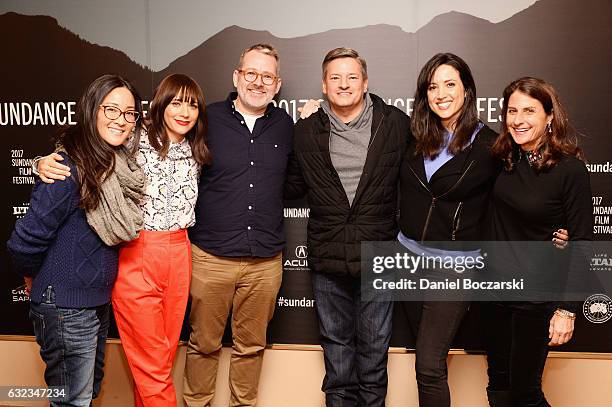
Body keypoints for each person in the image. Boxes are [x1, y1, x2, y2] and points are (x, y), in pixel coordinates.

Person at [35, 73, 211, 406]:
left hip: (180, 253)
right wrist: (40, 162)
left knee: (160, 360)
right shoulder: (134, 137)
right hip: (137, 253)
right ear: (160, 104)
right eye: (177, 102)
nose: (185, 112)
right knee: (153, 369)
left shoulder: (195, 148)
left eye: (192, 104)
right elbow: (82, 147)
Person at [7, 74, 145, 406]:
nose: (121, 120)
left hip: (93, 302)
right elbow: (23, 241)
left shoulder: (114, 163)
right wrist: (34, 277)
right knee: (72, 400)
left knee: (84, 394)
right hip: (66, 305)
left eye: (129, 113)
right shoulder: (68, 168)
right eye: (111, 109)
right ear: (91, 110)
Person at [285, 47, 409, 407]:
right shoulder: (306, 131)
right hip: (328, 259)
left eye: (352, 76)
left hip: (378, 257)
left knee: (374, 357)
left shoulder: (396, 124)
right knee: (338, 363)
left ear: (365, 82)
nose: (344, 84)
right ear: (324, 85)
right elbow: (290, 185)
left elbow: (425, 179)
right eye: (335, 77)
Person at [183, 43, 293, 407]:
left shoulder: (285, 126)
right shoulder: (206, 119)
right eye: (251, 73)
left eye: (267, 76)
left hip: (264, 263)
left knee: (251, 348)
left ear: (277, 85)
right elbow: (154, 150)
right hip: (210, 259)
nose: (258, 82)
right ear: (236, 76)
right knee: (203, 345)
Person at [397, 52, 499, 407]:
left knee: (428, 365)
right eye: (432, 87)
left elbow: (523, 194)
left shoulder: (491, 146)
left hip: (453, 268)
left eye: (450, 84)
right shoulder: (414, 137)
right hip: (407, 261)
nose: (441, 94)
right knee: (424, 359)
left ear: (467, 90)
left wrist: (557, 228)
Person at [483, 77, 592, 407]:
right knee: (498, 386)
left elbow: (583, 241)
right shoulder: (500, 160)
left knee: (524, 393)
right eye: (512, 111)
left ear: (549, 116)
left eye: (529, 111)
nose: (518, 119)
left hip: (535, 297)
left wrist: (568, 310)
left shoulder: (568, 170)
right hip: (493, 291)